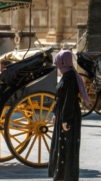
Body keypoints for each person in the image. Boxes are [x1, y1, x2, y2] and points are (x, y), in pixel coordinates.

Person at [49, 50, 90, 181]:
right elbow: (59, 97)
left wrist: (66, 120)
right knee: (61, 145)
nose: (56, 63)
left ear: (63, 61)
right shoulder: (66, 74)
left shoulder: (70, 76)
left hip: (69, 115)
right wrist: (56, 113)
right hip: (63, 113)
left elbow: (69, 99)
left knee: (68, 147)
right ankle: (60, 176)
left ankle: (68, 177)